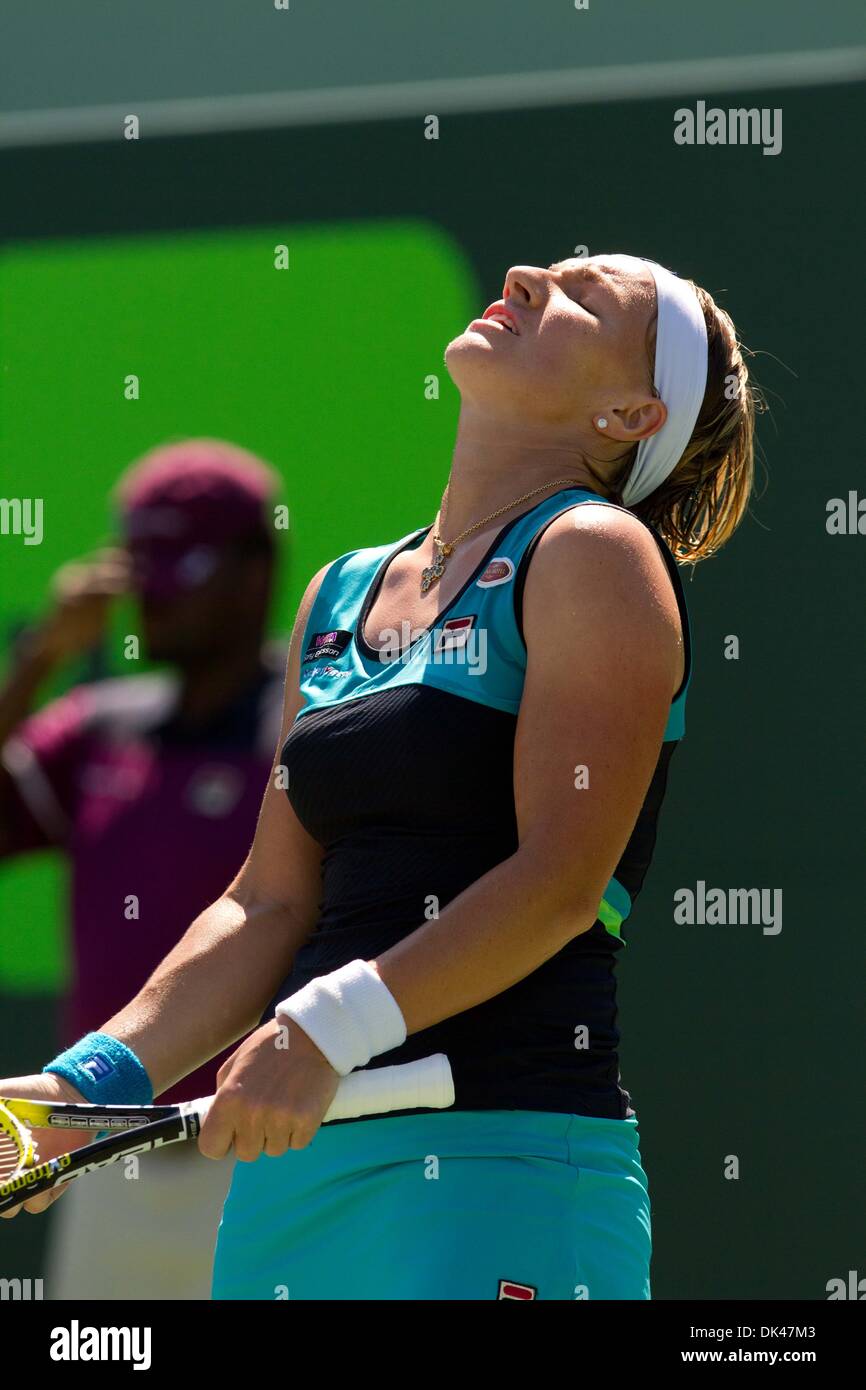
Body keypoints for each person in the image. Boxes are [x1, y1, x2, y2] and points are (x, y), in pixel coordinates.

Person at [1, 254, 759, 1300]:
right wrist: (84, 1083)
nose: (529, 276)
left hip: (504, 1168)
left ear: (631, 412)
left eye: (591, 297)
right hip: (291, 1187)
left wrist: (326, 1025)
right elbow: (267, 900)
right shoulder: (341, 591)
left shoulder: (595, 553)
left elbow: (559, 880)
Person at [0, 439, 286, 1299]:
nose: (149, 595)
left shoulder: (314, 732)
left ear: (254, 571)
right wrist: (41, 659)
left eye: (182, 564)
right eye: (141, 562)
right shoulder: (96, 727)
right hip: (103, 1152)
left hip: (268, 1150)